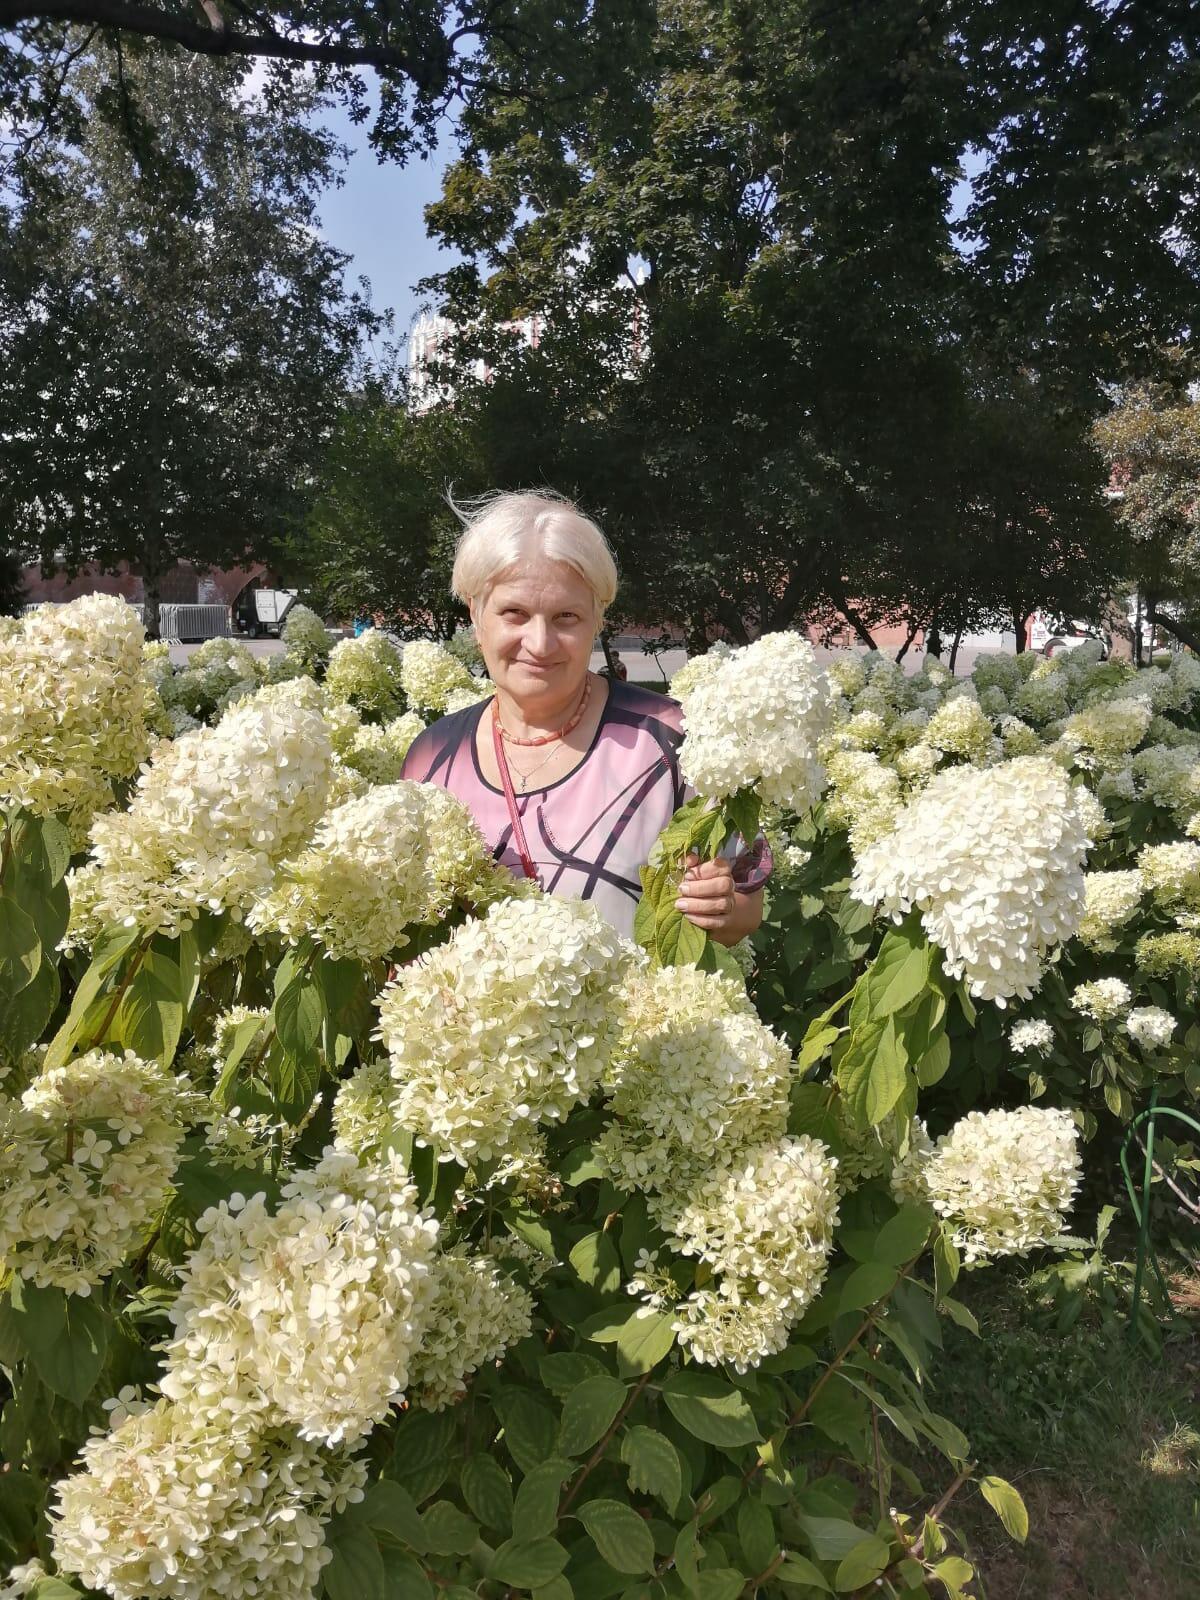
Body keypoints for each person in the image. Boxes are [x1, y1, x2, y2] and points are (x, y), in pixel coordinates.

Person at [401, 491, 769, 942]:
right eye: (514, 613)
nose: (540, 643)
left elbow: (747, 903)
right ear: (477, 617)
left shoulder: (674, 741)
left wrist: (724, 905)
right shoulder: (433, 759)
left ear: (597, 619)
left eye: (566, 617)